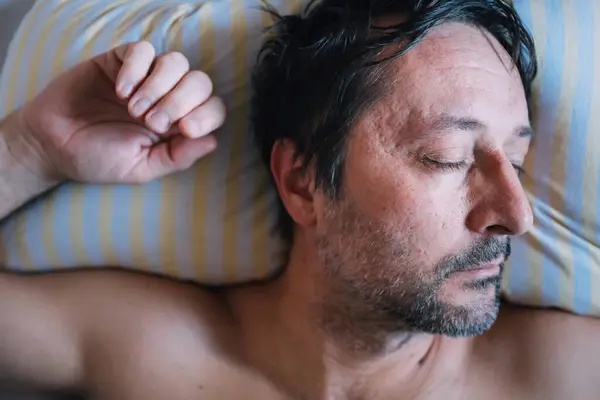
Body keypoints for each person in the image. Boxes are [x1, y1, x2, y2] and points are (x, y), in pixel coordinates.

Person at [0, 0, 599, 399]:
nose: (515, 214)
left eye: (516, 161)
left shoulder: (563, 373)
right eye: (445, 156)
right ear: (302, 181)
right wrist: (30, 147)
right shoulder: (153, 353)